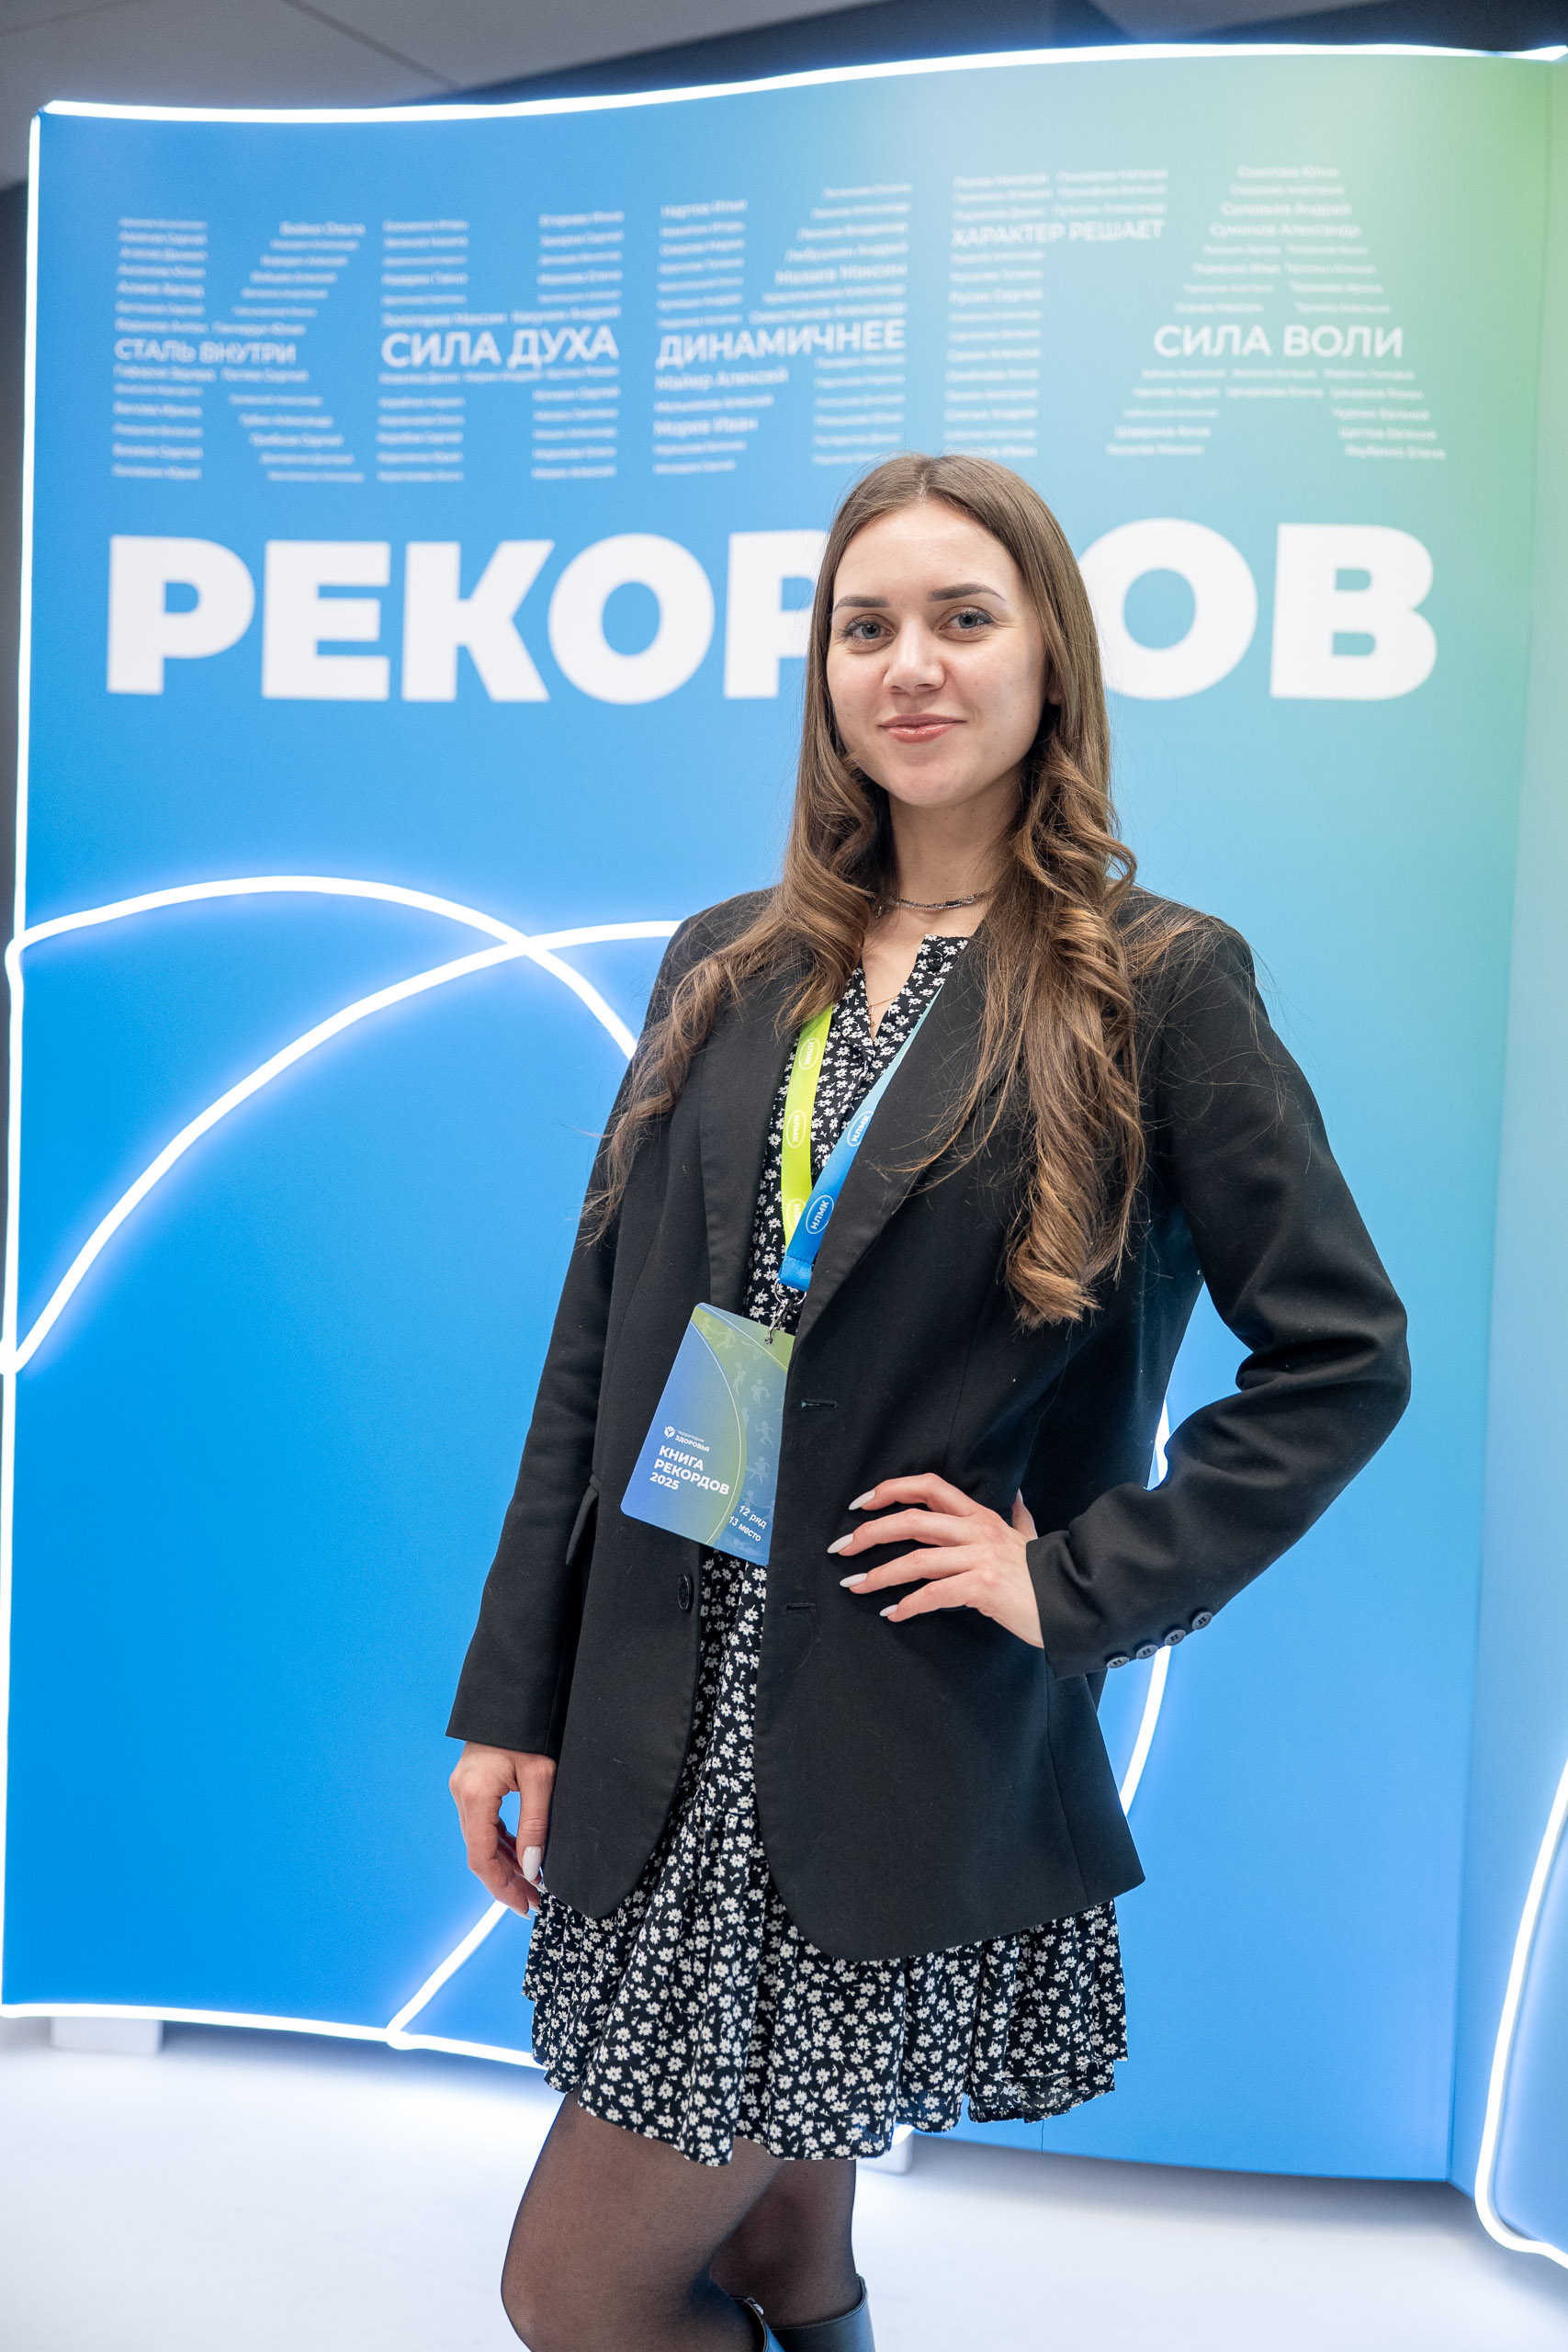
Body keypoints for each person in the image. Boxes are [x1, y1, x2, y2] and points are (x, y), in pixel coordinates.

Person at [446, 451, 1410, 2352]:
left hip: (887, 1724)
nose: (909, 664)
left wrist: (1077, 1579)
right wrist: (515, 1688)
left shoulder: (1155, 983)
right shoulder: (726, 959)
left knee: (572, 2292)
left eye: (963, 617)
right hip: (663, 1705)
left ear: (1049, 656)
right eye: (863, 625)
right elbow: (600, 1341)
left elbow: (1340, 1355)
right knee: (779, 2259)